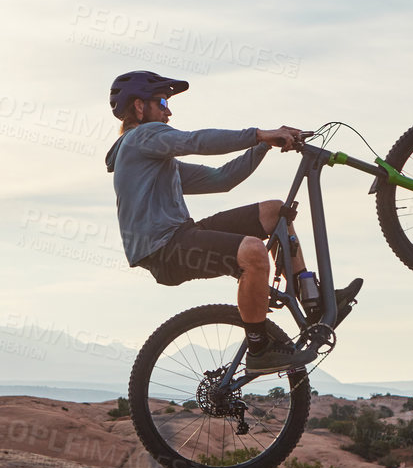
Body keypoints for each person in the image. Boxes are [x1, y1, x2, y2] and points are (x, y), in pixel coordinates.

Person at [104, 70, 351, 374]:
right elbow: (194, 140)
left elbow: (223, 179)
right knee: (253, 252)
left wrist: (264, 146)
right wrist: (259, 134)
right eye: (163, 100)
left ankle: (312, 302)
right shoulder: (140, 137)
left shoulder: (154, 159)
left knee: (275, 212)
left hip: (182, 234)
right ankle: (259, 349)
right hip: (164, 249)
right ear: (139, 107)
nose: (169, 110)